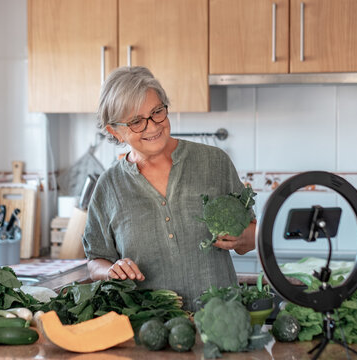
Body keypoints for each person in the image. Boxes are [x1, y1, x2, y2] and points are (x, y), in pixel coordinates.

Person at [82, 66, 256, 311]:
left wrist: (241, 237)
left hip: (222, 323)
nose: (152, 127)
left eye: (157, 112)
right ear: (115, 131)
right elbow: (95, 261)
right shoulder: (109, 187)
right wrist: (111, 270)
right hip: (150, 329)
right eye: (136, 122)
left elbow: (251, 237)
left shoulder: (214, 162)